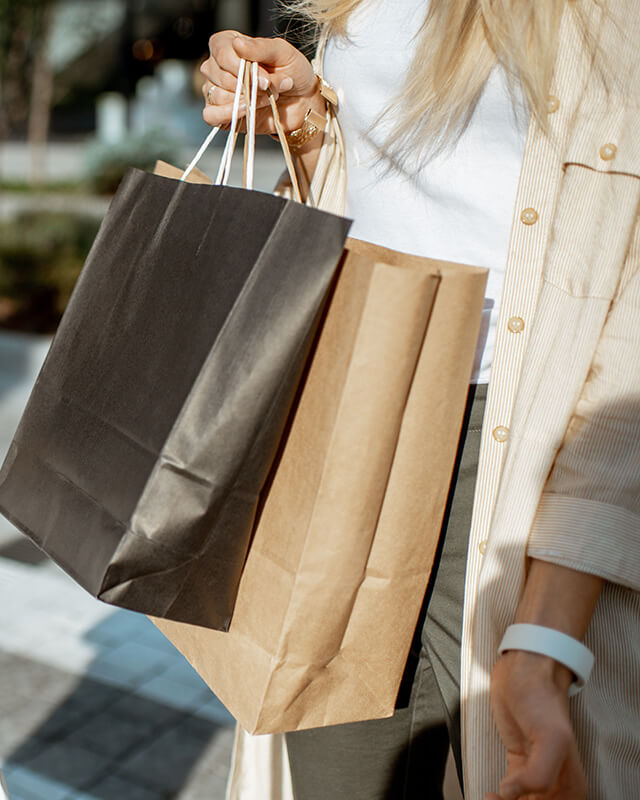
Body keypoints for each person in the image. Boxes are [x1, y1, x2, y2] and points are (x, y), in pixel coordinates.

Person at [200, 0, 639, 798]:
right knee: (338, 779)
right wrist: (307, 119)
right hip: (346, 414)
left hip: (515, 460)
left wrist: (546, 639)